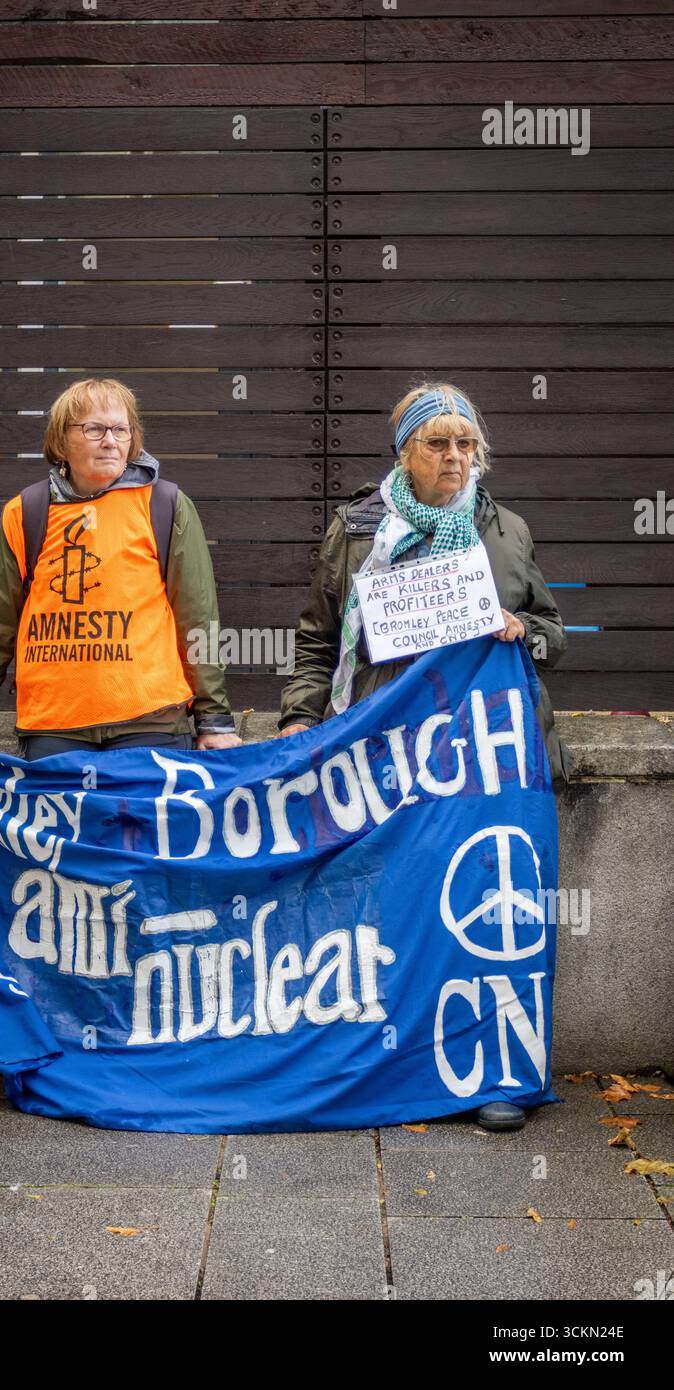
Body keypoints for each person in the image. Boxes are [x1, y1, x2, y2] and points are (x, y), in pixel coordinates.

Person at [278, 381, 574, 1132]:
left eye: (466, 443)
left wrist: (521, 629)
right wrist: (299, 722)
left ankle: (495, 1072)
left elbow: (554, 631)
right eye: (437, 443)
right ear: (404, 451)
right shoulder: (355, 531)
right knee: (392, 913)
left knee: (484, 911)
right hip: (386, 751)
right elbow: (318, 641)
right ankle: (389, 1065)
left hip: (486, 762)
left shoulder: (504, 528)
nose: (455, 457)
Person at [0, 377, 242, 759]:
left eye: (121, 429)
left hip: (151, 723)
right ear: (62, 440)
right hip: (55, 727)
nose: (110, 441)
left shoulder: (165, 505)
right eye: (94, 429)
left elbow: (197, 618)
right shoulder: (25, 512)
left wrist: (214, 720)